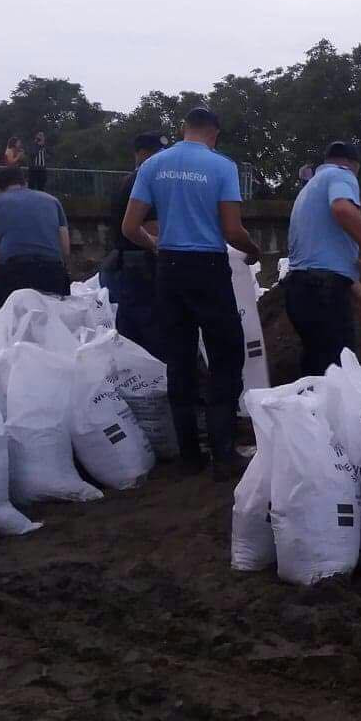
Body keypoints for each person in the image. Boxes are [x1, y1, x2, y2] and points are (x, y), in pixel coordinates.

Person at [122, 107, 260, 477]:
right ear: (214, 133)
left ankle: (189, 455)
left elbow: (130, 226)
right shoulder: (222, 167)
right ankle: (224, 451)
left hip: (169, 269)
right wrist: (253, 249)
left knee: (179, 359)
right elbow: (232, 230)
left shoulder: (152, 166)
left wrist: (158, 247)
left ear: (184, 129)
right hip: (208, 269)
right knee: (226, 355)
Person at [284, 141, 361, 377]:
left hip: (298, 289)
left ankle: (312, 412)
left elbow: (326, 254)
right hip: (322, 292)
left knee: (318, 365)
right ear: (353, 164)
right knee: (339, 368)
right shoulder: (341, 175)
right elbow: (343, 209)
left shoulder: (309, 189)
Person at [101, 131, 170, 353]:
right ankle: (160, 382)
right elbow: (151, 229)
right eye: (155, 154)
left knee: (130, 330)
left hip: (123, 263)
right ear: (141, 154)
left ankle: (137, 380)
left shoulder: (125, 181)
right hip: (142, 263)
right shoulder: (146, 181)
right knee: (153, 329)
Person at [0, 166, 72, 319]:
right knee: (57, 321)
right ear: (25, 182)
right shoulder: (52, 201)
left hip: (14, 270)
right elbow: (65, 247)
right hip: (52, 271)